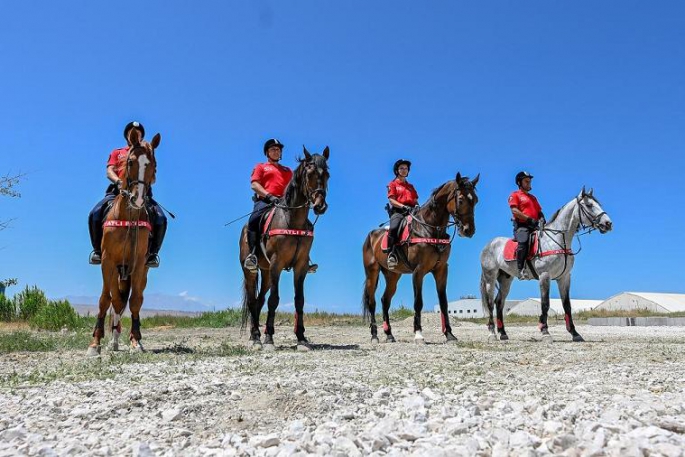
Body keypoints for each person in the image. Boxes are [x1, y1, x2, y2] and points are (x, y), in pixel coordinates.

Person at [87, 121, 167, 268]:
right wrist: (118, 181)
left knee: (161, 218)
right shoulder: (117, 152)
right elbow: (109, 171)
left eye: (138, 132)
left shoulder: (147, 152)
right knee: (95, 213)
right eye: (132, 132)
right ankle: (97, 251)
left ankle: (153, 254)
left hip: (142, 194)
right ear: (128, 136)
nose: (135, 134)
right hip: (117, 192)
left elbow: (152, 174)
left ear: (142, 135)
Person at [243, 139, 319, 274]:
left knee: (307, 225)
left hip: (285, 204)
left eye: (278, 149)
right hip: (266, 201)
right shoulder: (261, 167)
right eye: (273, 149)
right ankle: (253, 256)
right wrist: (269, 196)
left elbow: (296, 187)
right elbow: (254, 185)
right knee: (253, 220)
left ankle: (304, 259)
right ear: (267, 152)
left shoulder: (288, 171)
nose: (276, 151)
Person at [508, 171, 544, 279]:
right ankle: (520, 269)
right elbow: (514, 211)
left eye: (530, 181)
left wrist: (542, 217)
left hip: (535, 225)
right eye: (526, 181)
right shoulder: (514, 195)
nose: (529, 183)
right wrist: (529, 219)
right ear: (519, 182)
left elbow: (539, 211)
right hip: (521, 226)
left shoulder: (533, 198)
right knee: (523, 241)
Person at [385, 159, 419, 270]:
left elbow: (415, 200)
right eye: (401, 168)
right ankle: (392, 254)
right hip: (399, 212)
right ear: (397, 170)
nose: (404, 170)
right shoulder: (392, 184)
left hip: (412, 212)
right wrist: (403, 206)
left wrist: (417, 206)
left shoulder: (411, 187)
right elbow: (392, 200)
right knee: (394, 228)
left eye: (406, 169)